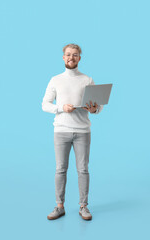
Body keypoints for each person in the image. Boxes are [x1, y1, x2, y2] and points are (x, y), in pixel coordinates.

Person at [42, 43, 103, 220]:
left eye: (75, 55)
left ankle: (83, 206)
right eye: (68, 54)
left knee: (83, 169)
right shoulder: (55, 79)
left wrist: (94, 110)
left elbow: (98, 106)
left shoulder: (87, 79)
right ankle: (59, 206)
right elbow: (45, 104)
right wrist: (61, 107)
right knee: (61, 169)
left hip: (83, 131)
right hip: (61, 130)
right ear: (63, 57)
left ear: (79, 58)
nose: (71, 57)